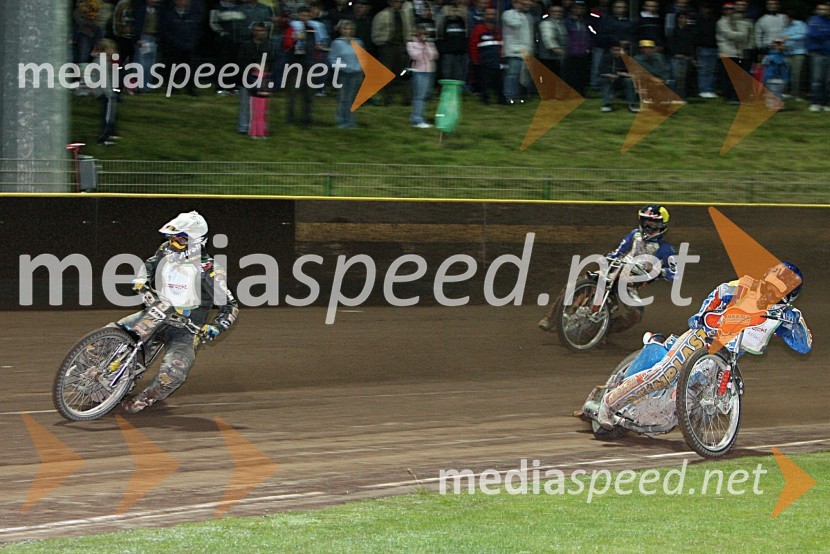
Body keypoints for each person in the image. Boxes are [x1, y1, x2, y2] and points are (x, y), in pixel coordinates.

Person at [595, 262, 811, 429]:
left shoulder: (786, 316)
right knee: (664, 374)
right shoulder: (744, 287)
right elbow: (718, 294)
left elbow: (804, 346)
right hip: (702, 337)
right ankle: (609, 403)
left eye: (778, 290)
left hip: (725, 358)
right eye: (770, 285)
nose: (770, 292)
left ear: (789, 296)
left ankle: (650, 418)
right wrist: (704, 316)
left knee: (686, 400)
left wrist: (795, 323)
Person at [121, 211, 239, 414]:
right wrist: (141, 281)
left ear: (196, 241)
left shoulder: (209, 270)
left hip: (186, 329)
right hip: (156, 315)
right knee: (115, 334)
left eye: (180, 239)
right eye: (172, 238)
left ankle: (146, 398)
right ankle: (106, 377)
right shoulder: (166, 250)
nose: (173, 243)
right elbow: (149, 265)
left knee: (173, 372)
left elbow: (231, 306)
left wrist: (214, 328)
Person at [538, 204, 677, 332]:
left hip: (630, 283)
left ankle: (603, 331)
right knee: (579, 282)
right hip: (616, 268)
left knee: (635, 314)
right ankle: (550, 318)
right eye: (645, 222)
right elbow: (619, 251)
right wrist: (610, 256)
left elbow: (675, 274)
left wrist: (660, 272)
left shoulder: (665, 249)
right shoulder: (635, 235)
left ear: (661, 225)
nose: (648, 227)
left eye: (652, 224)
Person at [328, 20, 364, 128]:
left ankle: (350, 120)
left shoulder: (358, 42)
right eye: (346, 29)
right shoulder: (337, 43)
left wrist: (359, 67)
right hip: (343, 74)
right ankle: (342, 120)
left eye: (350, 29)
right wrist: (344, 67)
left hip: (356, 73)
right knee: (343, 98)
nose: (348, 31)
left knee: (352, 98)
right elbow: (332, 58)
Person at [407, 24, 439, 127]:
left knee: (425, 96)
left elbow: (434, 55)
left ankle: (421, 117)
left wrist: (426, 48)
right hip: (419, 72)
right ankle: (417, 120)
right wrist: (423, 48)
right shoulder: (411, 44)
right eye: (421, 33)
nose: (423, 36)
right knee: (419, 96)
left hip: (430, 71)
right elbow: (416, 56)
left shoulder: (430, 43)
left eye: (425, 33)